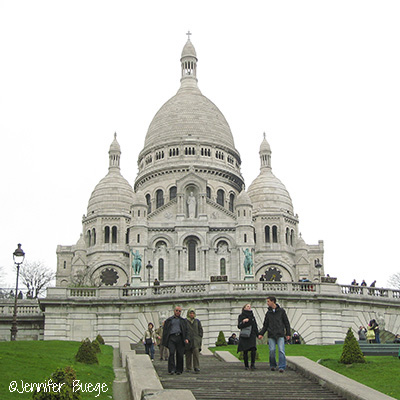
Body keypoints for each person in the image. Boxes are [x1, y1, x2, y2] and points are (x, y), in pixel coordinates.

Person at [258, 296, 291, 373]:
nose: (267, 303)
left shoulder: (281, 311)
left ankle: (282, 366)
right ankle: (272, 365)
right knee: (272, 351)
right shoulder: (268, 313)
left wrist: (288, 333)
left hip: (280, 334)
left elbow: (286, 323)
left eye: (268, 301)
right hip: (271, 334)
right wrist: (261, 334)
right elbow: (265, 325)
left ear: (273, 301)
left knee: (281, 350)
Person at [162, 306, 189, 375]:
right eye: (177, 310)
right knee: (171, 353)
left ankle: (179, 370)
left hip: (180, 337)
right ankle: (171, 369)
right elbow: (165, 330)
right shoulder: (169, 320)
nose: (178, 312)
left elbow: (186, 330)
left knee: (180, 354)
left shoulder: (183, 321)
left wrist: (186, 338)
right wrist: (165, 340)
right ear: (174, 311)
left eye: (179, 311)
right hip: (172, 338)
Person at [237, 303, 258, 371]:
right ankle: (246, 365)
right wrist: (243, 322)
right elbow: (239, 326)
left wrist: (258, 334)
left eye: (250, 306)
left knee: (253, 349)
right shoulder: (241, 316)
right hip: (245, 335)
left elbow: (255, 326)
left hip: (252, 334)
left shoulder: (252, 316)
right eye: (247, 306)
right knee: (245, 350)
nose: (249, 307)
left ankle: (252, 364)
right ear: (244, 308)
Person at [185, 307, 203, 373]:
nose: (191, 314)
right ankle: (188, 367)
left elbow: (200, 331)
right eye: (190, 313)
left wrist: (199, 338)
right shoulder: (185, 321)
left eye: (193, 313)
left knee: (196, 353)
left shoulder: (197, 321)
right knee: (188, 354)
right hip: (188, 340)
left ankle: (196, 367)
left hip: (195, 340)